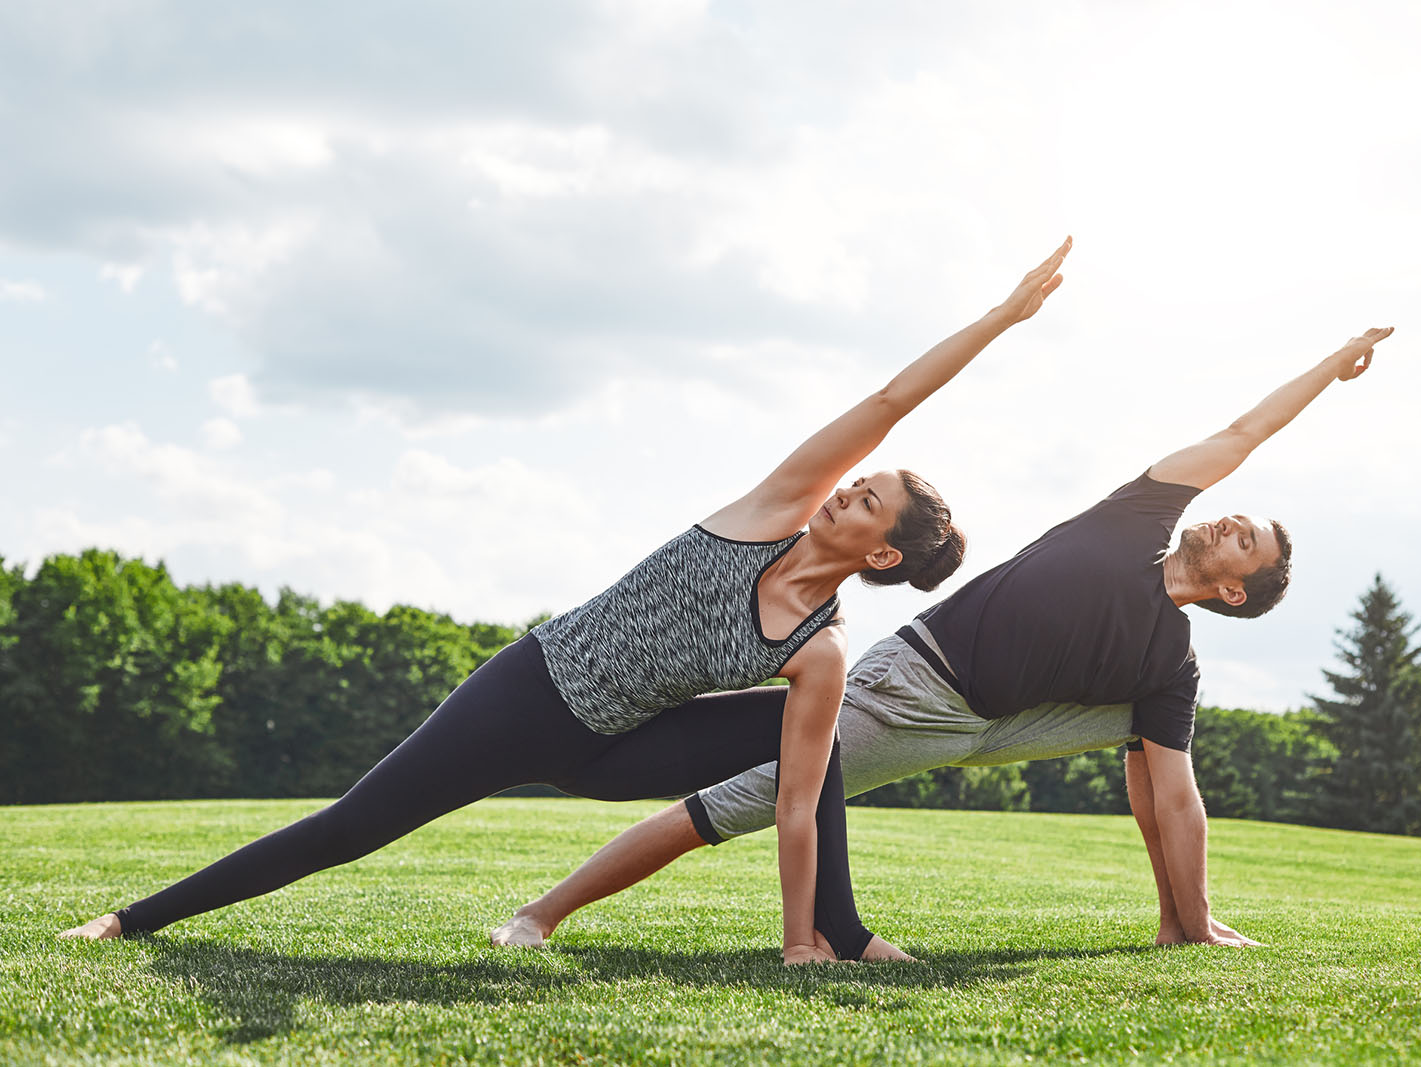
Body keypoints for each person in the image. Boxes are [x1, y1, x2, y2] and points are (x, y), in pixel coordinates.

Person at [58, 237, 1077, 965]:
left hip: (614, 749)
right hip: (530, 692)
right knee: (351, 825)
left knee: (816, 748)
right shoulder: (776, 505)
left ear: (883, 552)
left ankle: (834, 934)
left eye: (867, 499)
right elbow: (891, 399)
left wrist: (793, 941)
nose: (847, 488)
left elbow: (798, 801)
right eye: (857, 479)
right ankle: (131, 919)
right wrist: (1000, 317)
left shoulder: (821, 650)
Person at [489, 325, 1396, 956]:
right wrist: (1328, 366)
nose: (1229, 520)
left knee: (1156, 741)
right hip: (917, 690)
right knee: (743, 800)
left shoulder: (1172, 662)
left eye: (1245, 539)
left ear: (1234, 589)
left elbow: (1176, 797)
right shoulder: (1138, 517)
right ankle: (542, 913)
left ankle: (1179, 923)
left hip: (1001, 723)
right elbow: (1243, 432)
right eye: (1238, 516)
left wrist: (1193, 915)